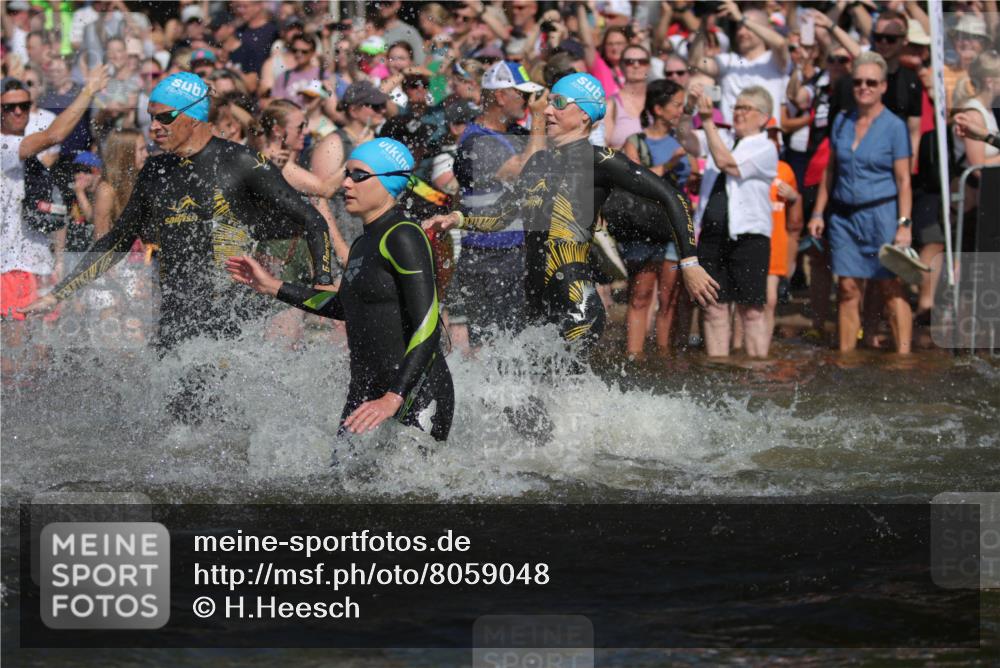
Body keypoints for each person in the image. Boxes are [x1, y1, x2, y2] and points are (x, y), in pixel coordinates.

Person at [21, 72, 334, 355]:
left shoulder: (242, 161)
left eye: (165, 117)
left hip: (233, 324)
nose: (155, 127)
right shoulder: (155, 170)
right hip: (175, 322)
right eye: (151, 118)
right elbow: (118, 241)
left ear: (194, 117)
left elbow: (313, 220)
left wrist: (322, 283)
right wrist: (59, 294)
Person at [425, 73, 718, 347]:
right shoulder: (538, 162)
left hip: (576, 305)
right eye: (550, 102)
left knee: (563, 396)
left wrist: (690, 263)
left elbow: (673, 198)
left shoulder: (600, 160)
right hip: (534, 305)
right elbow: (502, 216)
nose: (548, 111)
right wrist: (457, 218)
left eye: (560, 104)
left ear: (584, 115)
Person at [226, 138, 453, 441]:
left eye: (358, 175)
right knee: (341, 480)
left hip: (414, 390)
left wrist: (394, 397)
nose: (346, 183)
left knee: (411, 486)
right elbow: (346, 307)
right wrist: (273, 286)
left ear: (389, 182)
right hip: (368, 391)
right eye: (346, 173)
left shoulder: (404, 235)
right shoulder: (362, 244)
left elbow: (428, 325)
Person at [2, 66, 110, 380]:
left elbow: (52, 210)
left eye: (24, 105)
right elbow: (55, 135)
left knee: (40, 361)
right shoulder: (3, 146)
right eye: (9, 107)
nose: (18, 112)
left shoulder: (25, 154)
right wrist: (88, 91)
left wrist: (58, 258)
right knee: (11, 364)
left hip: (37, 263)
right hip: (9, 267)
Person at [808, 52, 913, 354]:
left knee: (890, 286)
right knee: (847, 288)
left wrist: (903, 224)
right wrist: (818, 212)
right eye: (858, 82)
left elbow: (904, 179)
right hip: (843, 215)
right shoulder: (842, 119)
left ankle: (903, 357)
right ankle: (846, 357)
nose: (863, 87)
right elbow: (831, 169)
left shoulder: (894, 126)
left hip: (881, 212)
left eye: (871, 82)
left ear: (883, 86)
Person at [695, 85, 779, 358]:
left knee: (751, 310)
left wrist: (707, 121)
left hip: (749, 235)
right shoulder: (721, 136)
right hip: (712, 234)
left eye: (746, 108)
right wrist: (689, 109)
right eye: (736, 107)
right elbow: (686, 140)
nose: (739, 113)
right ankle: (718, 371)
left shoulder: (766, 146)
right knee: (713, 307)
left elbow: (726, 162)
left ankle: (757, 373)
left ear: (763, 117)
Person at [616, 78, 697, 358]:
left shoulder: (685, 139)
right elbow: (636, 182)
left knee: (670, 297)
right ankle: (634, 357)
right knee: (640, 295)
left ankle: (664, 357)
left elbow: (696, 174)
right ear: (658, 108)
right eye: (676, 105)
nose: (681, 110)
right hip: (645, 227)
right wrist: (669, 165)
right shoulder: (635, 142)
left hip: (677, 227)